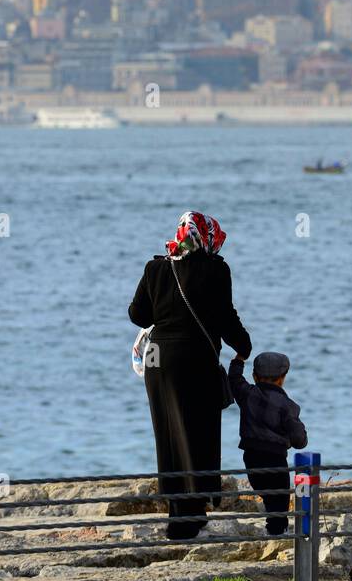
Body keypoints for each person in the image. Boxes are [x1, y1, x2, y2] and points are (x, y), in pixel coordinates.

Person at [128, 211, 252, 540]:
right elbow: (227, 318)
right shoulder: (216, 269)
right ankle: (194, 513)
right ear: (207, 236)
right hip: (197, 358)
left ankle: (177, 515)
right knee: (200, 433)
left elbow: (137, 314)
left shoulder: (156, 267)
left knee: (169, 435)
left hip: (159, 361)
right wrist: (244, 346)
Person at [228, 350, 308, 536]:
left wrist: (238, 360)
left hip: (251, 457)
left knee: (266, 492)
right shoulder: (288, 406)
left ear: (255, 376)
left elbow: (234, 380)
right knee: (279, 497)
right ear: (282, 378)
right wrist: (301, 435)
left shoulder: (247, 394)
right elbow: (299, 440)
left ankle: (275, 528)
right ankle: (276, 531)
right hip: (275, 458)